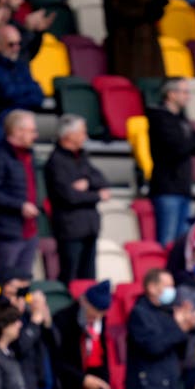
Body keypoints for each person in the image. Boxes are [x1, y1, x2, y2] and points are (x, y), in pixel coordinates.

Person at [147, 78, 195, 246]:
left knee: (182, 242)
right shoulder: (160, 118)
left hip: (182, 187)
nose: (188, 96)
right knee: (167, 241)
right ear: (171, 94)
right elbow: (177, 149)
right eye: (184, 92)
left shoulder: (181, 119)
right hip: (167, 187)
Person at [45, 114, 111, 284]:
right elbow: (69, 196)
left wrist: (87, 183)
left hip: (89, 226)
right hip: (70, 229)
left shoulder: (82, 156)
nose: (85, 136)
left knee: (89, 277)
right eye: (82, 132)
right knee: (71, 276)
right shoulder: (56, 162)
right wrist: (96, 195)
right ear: (68, 135)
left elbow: (101, 180)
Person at [0, 109, 41, 284]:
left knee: (25, 282)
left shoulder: (29, 155)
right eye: (31, 131)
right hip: (7, 232)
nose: (35, 135)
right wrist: (19, 206)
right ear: (17, 131)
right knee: (7, 283)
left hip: (29, 231)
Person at [0, 24, 44, 158]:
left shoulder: (22, 66)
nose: (16, 48)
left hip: (22, 133)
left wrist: (18, 91)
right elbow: (7, 92)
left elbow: (38, 97)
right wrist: (27, 89)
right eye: (11, 44)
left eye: (19, 43)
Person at [101, 0, 166, 82]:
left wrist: (158, 9)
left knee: (153, 80)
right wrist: (146, 11)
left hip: (148, 39)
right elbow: (117, 8)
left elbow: (154, 0)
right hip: (124, 39)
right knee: (130, 79)